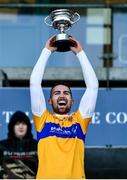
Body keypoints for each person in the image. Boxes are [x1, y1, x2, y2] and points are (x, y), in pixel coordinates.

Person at [30, 36, 99, 179]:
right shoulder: (42, 119)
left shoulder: (80, 121)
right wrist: (46, 51)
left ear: (72, 101)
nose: (62, 96)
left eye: (66, 93)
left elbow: (93, 88)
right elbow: (34, 84)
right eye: (57, 93)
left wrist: (80, 53)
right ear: (49, 101)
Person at [0, 111, 38, 179]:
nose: (21, 126)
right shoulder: (1, 146)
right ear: (12, 127)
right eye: (17, 124)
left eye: (23, 123)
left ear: (28, 126)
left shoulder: (37, 146)